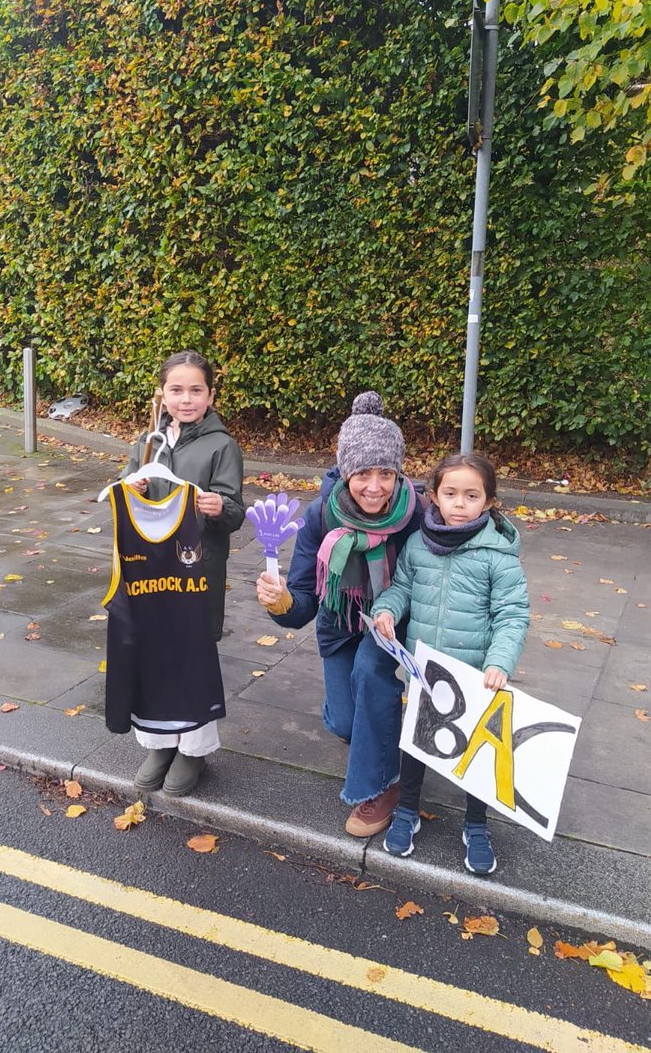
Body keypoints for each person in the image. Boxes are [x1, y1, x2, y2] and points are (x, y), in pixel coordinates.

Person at [256, 392, 422, 837]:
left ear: (398, 472)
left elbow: (454, 542)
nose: (374, 486)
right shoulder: (322, 517)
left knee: (371, 673)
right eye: (362, 473)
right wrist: (281, 603)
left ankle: (383, 788)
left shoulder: (415, 513)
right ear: (345, 472)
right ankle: (383, 729)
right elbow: (303, 600)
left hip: (392, 621)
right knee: (346, 721)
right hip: (339, 624)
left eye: (385, 473)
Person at [372, 452, 529, 874]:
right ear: (434, 497)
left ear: (490, 501)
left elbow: (512, 615)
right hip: (425, 671)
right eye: (451, 493)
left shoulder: (498, 556)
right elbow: (402, 587)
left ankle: (477, 825)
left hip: (477, 676)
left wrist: (499, 662)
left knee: (475, 753)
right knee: (418, 745)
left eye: (471, 495)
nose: (460, 503)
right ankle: (407, 811)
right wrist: (387, 610)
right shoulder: (417, 545)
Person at [118, 350, 245, 796]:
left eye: (196, 390)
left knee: (192, 658)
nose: (186, 398)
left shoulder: (222, 446)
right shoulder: (148, 442)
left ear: (210, 395)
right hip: (151, 569)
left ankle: (193, 749)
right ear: (163, 394)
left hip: (197, 571)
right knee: (154, 656)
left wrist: (219, 506)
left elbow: (234, 510)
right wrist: (129, 487)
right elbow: (127, 489)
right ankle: (159, 743)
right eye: (177, 389)